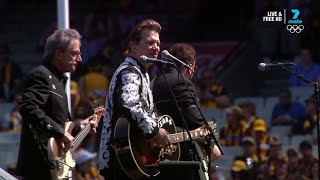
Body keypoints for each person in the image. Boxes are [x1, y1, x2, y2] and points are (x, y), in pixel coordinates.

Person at [16, 29, 99, 180]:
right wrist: (60, 132)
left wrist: (81, 125)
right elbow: (28, 107)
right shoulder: (41, 75)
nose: (79, 59)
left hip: (53, 167)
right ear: (58, 54)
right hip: (39, 167)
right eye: (74, 54)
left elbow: (57, 122)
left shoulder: (57, 80)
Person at [99, 19, 168, 180]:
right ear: (133, 46)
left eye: (158, 43)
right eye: (150, 42)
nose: (156, 47)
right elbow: (129, 104)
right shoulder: (129, 72)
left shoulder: (140, 72)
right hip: (120, 161)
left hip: (131, 158)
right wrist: (155, 130)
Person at [152, 43, 221, 162]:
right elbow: (194, 119)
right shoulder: (182, 82)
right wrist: (211, 145)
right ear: (190, 67)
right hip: (184, 152)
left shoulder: (154, 82)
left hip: (157, 151)